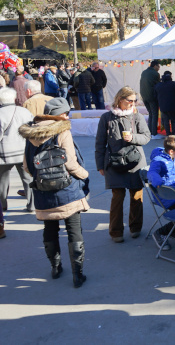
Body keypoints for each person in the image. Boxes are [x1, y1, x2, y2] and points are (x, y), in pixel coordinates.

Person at [19, 97, 90, 288]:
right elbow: (70, 163)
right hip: (66, 188)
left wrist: (42, 176)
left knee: (50, 229)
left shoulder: (30, 132)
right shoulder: (62, 130)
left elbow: (26, 165)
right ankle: (78, 274)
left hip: (43, 190)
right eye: (66, 113)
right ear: (61, 115)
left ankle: (55, 268)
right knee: (74, 230)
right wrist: (84, 175)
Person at [95, 86, 151, 243]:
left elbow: (146, 137)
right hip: (114, 163)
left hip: (135, 162)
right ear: (120, 100)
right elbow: (100, 143)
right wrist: (100, 165)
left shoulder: (137, 116)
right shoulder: (106, 118)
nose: (133, 104)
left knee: (136, 196)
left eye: (135, 101)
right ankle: (116, 232)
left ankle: (135, 227)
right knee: (117, 197)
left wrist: (133, 138)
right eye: (130, 101)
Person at [147, 135, 175, 251]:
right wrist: (157, 180)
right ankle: (160, 233)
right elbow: (152, 173)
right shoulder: (159, 161)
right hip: (165, 196)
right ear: (171, 151)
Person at [0, 88, 34, 212]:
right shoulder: (24, 111)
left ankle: (2, 205)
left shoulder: (0, 113)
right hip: (23, 151)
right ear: (14, 98)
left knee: (2, 181)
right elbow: (31, 130)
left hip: (4, 153)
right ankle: (32, 205)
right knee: (28, 178)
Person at [154, 71, 175, 136]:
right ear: (170, 76)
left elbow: (155, 96)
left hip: (162, 106)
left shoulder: (158, 85)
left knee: (166, 120)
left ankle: (167, 134)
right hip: (172, 105)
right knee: (173, 119)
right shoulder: (174, 84)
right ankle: (173, 134)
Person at [140, 60, 161, 139]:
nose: (159, 68)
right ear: (155, 66)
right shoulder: (155, 74)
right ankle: (154, 133)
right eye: (158, 66)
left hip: (144, 96)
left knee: (151, 114)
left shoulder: (144, 72)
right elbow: (158, 85)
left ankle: (149, 132)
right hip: (151, 96)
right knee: (154, 114)